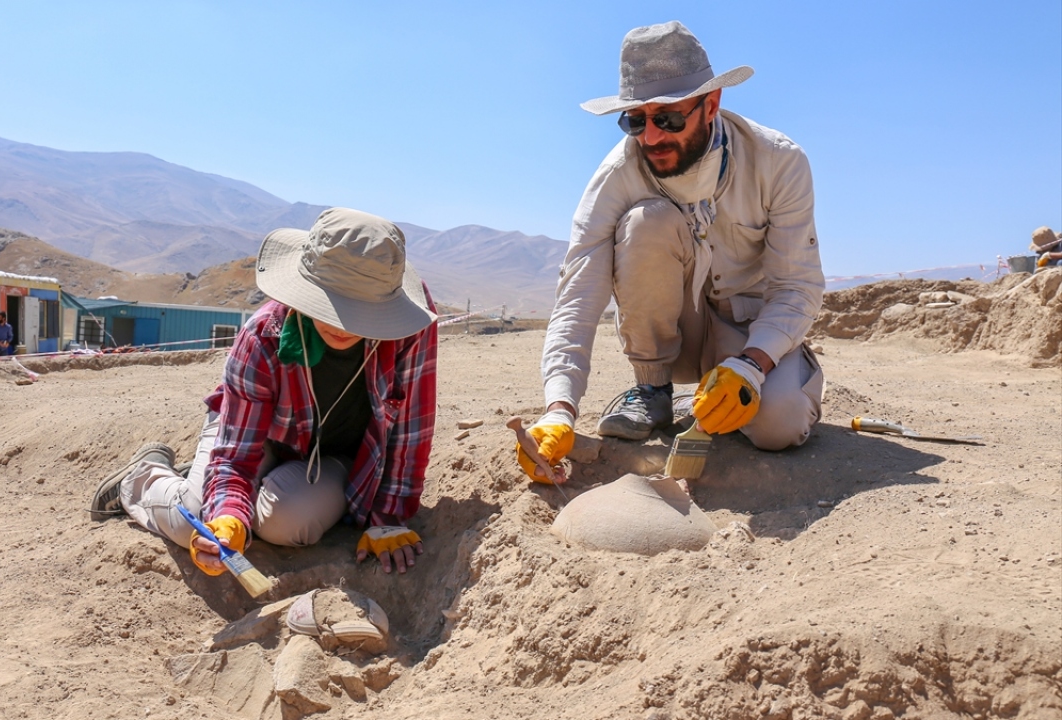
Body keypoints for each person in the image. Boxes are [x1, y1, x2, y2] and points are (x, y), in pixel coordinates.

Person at [520, 21, 825, 482]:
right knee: (648, 221)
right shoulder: (617, 175)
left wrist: (752, 365)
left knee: (779, 425)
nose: (651, 138)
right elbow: (577, 296)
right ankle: (653, 392)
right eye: (635, 121)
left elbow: (796, 286)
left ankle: (773, 378)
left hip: (750, 333)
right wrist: (559, 409)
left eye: (668, 119)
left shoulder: (779, 162)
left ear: (712, 105)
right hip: (674, 336)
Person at [90, 208, 439, 578]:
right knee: (198, 525)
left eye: (360, 311)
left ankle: (222, 483)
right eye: (333, 305)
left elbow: (412, 427)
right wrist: (228, 518)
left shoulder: (410, 325)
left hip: (337, 454)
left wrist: (389, 518)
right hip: (257, 436)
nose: (343, 324)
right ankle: (143, 479)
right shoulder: (263, 334)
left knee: (288, 525)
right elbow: (237, 456)